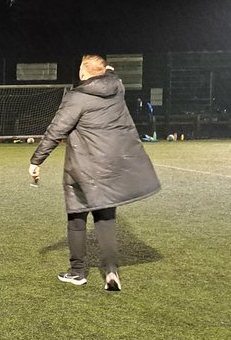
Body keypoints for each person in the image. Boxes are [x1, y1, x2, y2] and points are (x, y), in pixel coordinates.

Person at [29, 55, 161, 291]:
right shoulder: (117, 87)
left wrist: (37, 160)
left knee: (77, 218)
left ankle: (77, 271)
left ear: (83, 72)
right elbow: (112, 75)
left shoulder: (77, 97)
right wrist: (108, 71)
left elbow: (56, 130)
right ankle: (111, 270)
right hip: (110, 167)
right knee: (106, 219)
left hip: (82, 167)